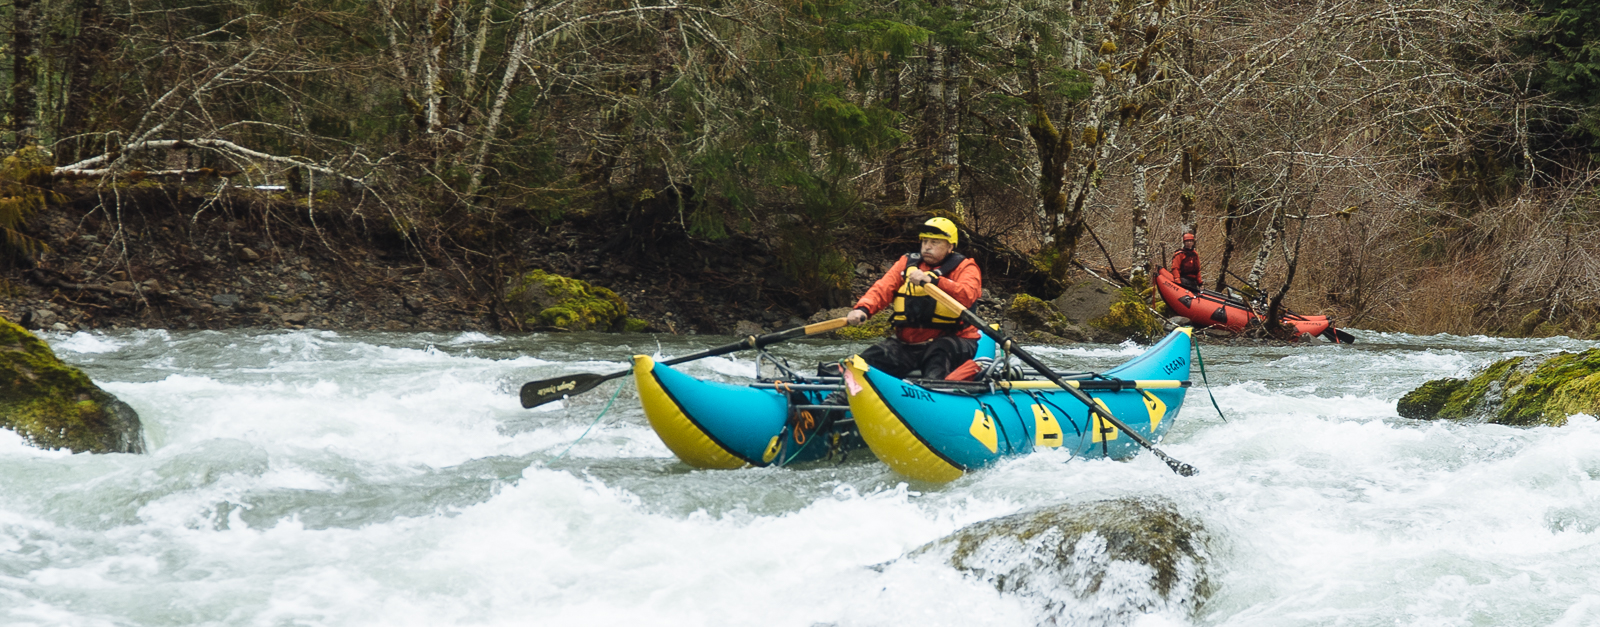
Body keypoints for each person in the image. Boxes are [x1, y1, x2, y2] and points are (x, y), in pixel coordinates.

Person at [844, 217, 983, 380]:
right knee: (868, 360)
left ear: (950, 246)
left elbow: (968, 295)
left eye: (935, 242)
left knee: (938, 355)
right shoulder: (908, 264)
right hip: (908, 344)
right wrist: (863, 309)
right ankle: (837, 398)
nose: (927, 247)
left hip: (953, 341)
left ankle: (932, 397)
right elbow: (883, 288)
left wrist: (936, 281)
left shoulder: (965, 267)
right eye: (925, 241)